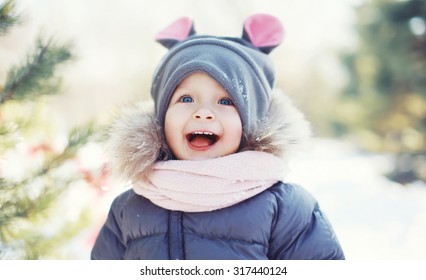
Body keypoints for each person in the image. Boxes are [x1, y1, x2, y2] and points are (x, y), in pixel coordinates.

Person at [91, 14, 345, 260]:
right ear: (161, 117)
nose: (203, 113)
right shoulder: (129, 209)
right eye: (186, 99)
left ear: (250, 122)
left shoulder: (287, 209)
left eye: (225, 101)